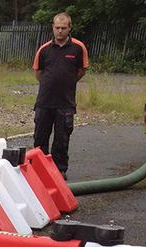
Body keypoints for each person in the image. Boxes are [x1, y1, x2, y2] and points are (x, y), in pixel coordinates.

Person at [32, 13, 89, 176]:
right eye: (57, 28)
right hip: (44, 102)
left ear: (69, 28)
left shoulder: (78, 48)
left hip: (66, 103)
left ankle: (59, 171)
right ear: (53, 27)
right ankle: (39, 171)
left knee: (62, 140)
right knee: (40, 139)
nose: (60, 31)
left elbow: (82, 70)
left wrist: (68, 82)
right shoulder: (44, 49)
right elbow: (38, 72)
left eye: (63, 28)